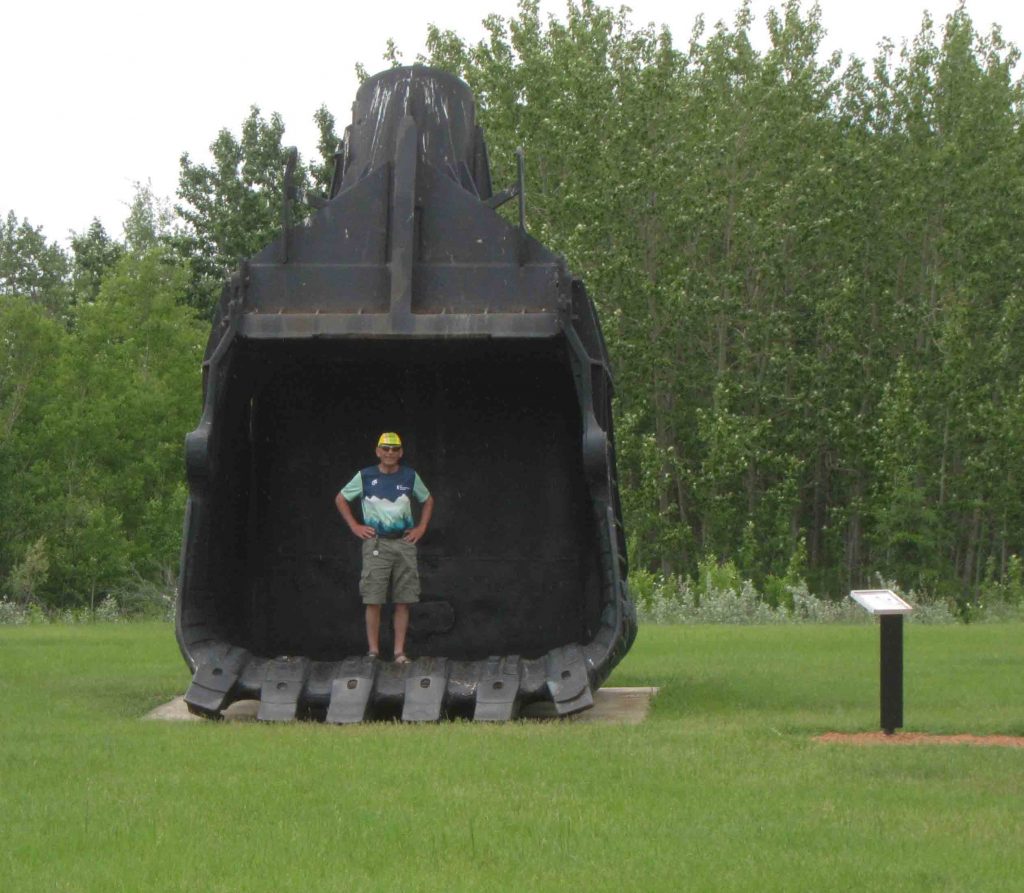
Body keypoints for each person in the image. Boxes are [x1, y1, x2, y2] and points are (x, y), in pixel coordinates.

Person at [334, 432, 434, 664]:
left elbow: (428, 499)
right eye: (385, 449)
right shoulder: (365, 476)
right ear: (378, 451)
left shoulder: (409, 476)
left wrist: (421, 528)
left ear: (401, 452)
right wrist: (355, 525)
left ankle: (399, 652)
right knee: (373, 598)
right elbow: (340, 498)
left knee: (403, 599)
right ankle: (373, 652)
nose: (390, 453)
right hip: (376, 543)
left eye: (394, 449)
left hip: (403, 542)